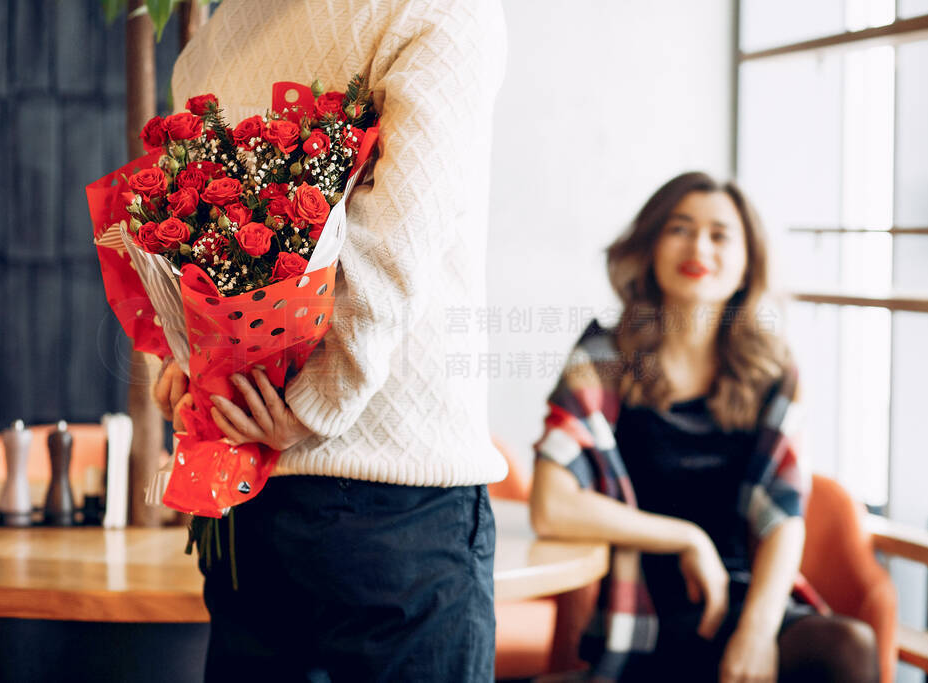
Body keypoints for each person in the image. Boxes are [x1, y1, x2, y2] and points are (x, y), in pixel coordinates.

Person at [152, 1, 509, 681]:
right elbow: (395, 238)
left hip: (245, 489)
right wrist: (317, 402)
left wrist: (181, 363)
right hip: (389, 492)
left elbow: (174, 240)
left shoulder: (214, 40)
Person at [530, 171, 879, 682]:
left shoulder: (772, 371)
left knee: (847, 647)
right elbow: (551, 504)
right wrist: (687, 538)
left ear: (745, 265)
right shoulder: (604, 359)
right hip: (640, 610)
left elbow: (783, 515)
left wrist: (757, 632)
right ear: (650, 248)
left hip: (744, 597)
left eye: (720, 234)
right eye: (680, 228)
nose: (699, 246)